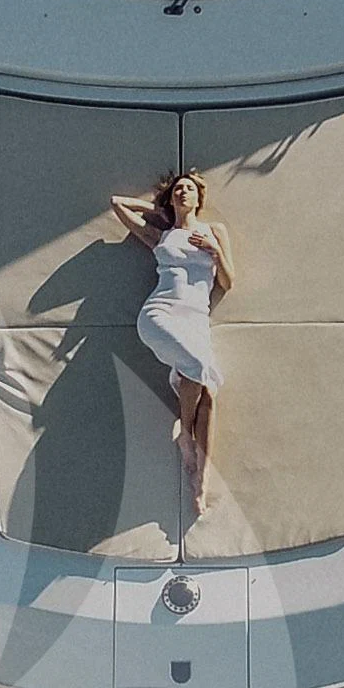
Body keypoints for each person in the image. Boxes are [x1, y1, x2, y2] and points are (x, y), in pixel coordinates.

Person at [110, 171, 236, 519]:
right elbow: (117, 204)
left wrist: (214, 252)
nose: (183, 192)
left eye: (190, 188)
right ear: (172, 199)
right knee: (197, 366)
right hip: (159, 314)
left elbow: (228, 281)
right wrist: (158, 209)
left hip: (196, 320)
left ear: (199, 198)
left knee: (207, 391)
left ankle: (202, 478)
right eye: (178, 189)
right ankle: (185, 435)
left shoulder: (215, 232)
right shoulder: (161, 236)